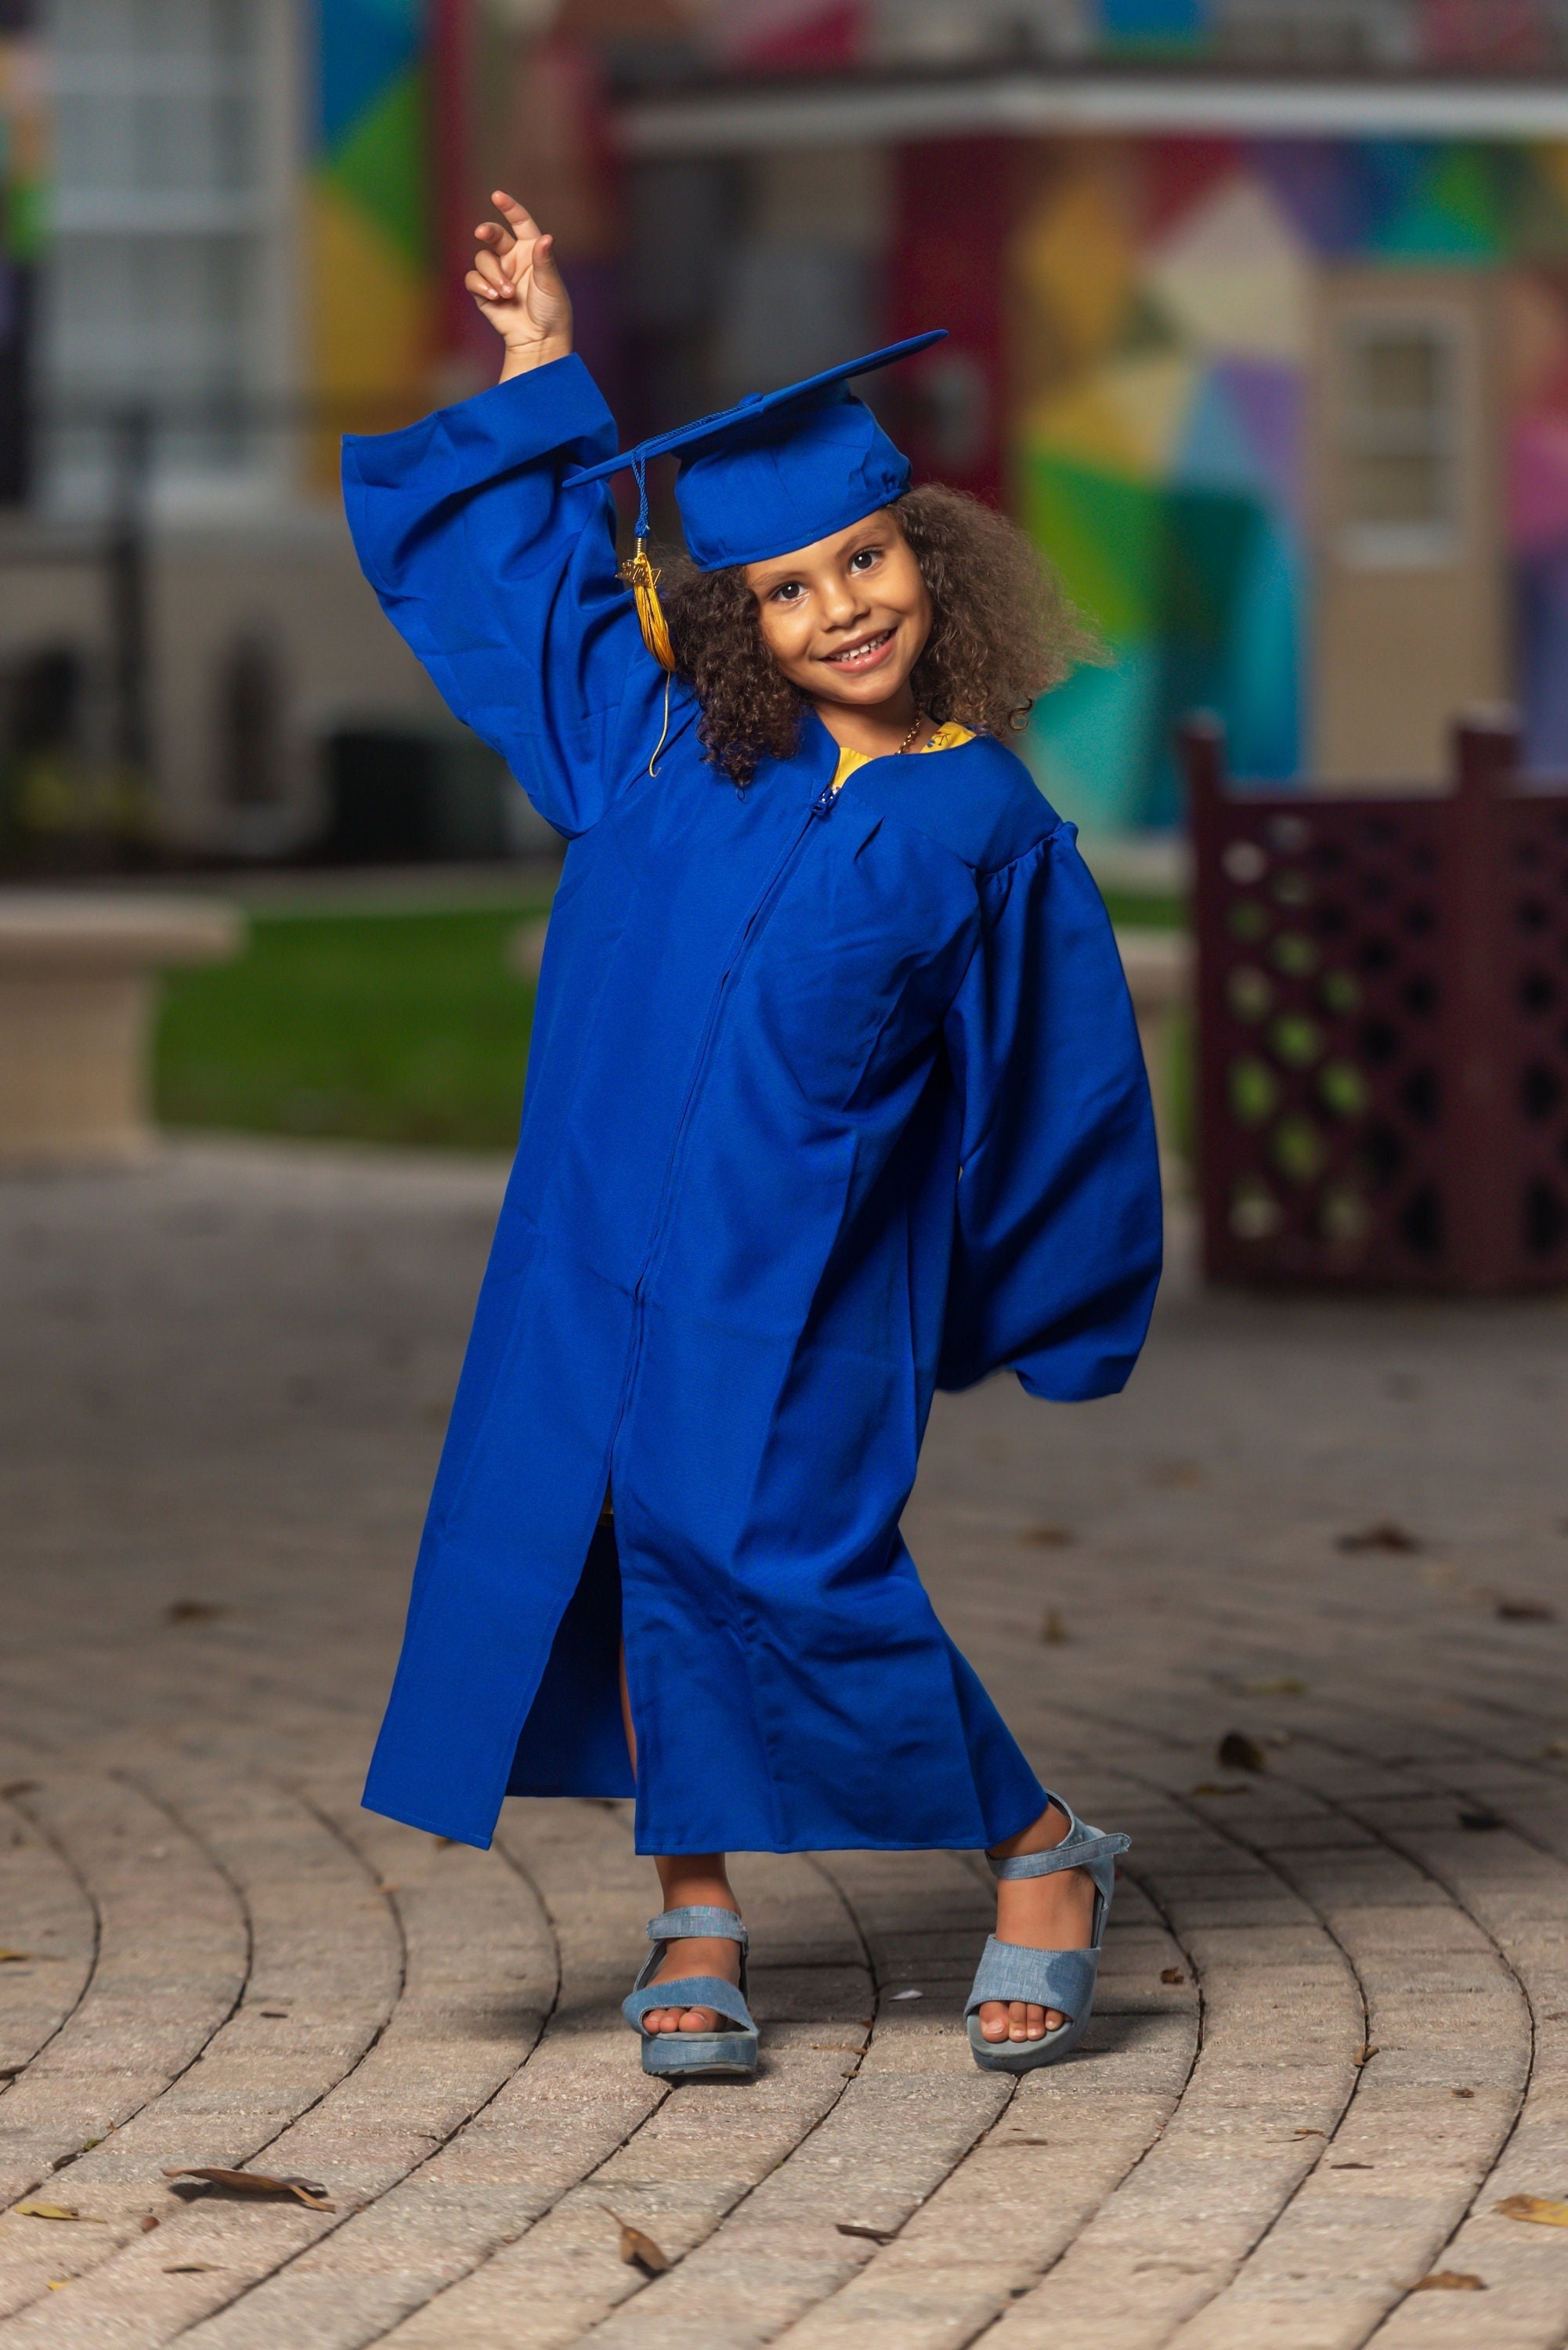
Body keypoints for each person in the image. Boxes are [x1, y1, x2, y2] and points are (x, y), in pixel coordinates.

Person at [343, 192, 1162, 2081]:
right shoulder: (654, 751)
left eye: (864, 560)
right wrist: (539, 363)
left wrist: (1038, 1297)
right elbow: (524, 590)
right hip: (588, 1246)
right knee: (617, 1542)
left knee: (779, 1550)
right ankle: (691, 1908)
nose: (838, 607)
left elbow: (1054, 1087)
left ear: (928, 559)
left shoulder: (988, 833)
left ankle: (1040, 1859)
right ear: (732, 618)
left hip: (793, 1274)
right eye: (785, 588)